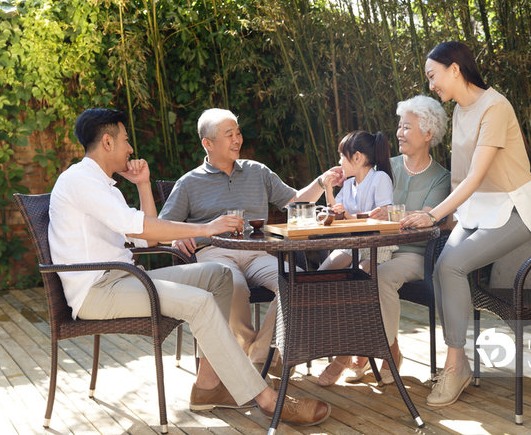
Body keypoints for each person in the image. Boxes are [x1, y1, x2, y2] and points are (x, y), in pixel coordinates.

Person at [48, 107, 331, 426]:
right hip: (100, 291)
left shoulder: (101, 185)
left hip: (125, 277)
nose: (131, 148)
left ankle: (208, 386)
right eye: (126, 140)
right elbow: (142, 229)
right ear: (108, 143)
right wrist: (204, 229)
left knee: (220, 276)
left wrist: (143, 185)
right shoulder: (81, 181)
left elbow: (144, 242)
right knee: (199, 302)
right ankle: (265, 398)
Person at [406, 42, 531, 407]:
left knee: (451, 265)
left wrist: (433, 214)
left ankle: (455, 365)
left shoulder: (495, 107)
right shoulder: (460, 111)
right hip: (478, 210)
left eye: (432, 76)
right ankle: (460, 361)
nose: (431, 85)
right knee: (440, 267)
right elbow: (460, 178)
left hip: (513, 209)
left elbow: (476, 175)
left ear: (455, 69)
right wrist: (449, 219)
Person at [159, 108, 337, 373]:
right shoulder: (188, 183)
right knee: (233, 288)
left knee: (297, 283)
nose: (237, 139)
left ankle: (258, 356)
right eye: (229, 134)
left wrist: (322, 182)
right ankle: (259, 357)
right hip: (214, 253)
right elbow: (163, 227)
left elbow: (295, 202)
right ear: (207, 143)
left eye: (238, 132)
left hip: (258, 253)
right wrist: (177, 239)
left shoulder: (257, 172)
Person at [317, 95, 451, 387]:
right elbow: (352, 195)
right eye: (400, 126)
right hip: (367, 246)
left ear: (429, 134)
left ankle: (381, 353)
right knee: (337, 274)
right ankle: (364, 349)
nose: (399, 133)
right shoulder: (381, 167)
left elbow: (426, 218)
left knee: (377, 276)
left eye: (408, 127)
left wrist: (392, 214)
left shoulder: (441, 178)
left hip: (412, 253)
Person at [318, 130, 394, 273]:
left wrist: (350, 216)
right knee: (320, 275)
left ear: (357, 157)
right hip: (351, 244)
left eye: (342, 156)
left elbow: (383, 215)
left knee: (357, 279)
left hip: (376, 246)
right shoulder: (348, 184)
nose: (339, 162)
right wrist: (328, 190)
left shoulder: (380, 178)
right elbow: (336, 213)